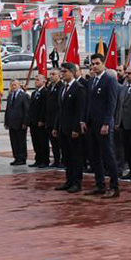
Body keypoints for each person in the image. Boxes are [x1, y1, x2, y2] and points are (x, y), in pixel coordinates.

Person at [83, 54, 120, 198]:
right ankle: (100, 184)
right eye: (92, 64)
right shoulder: (92, 81)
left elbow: (111, 104)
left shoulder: (109, 80)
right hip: (92, 124)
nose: (94, 66)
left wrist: (106, 123)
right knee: (94, 156)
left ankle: (114, 186)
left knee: (108, 155)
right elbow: (89, 103)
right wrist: (84, 121)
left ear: (103, 64)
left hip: (103, 124)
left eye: (97, 63)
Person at [54, 62, 86, 193]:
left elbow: (79, 111)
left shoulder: (79, 88)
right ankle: (68, 180)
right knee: (66, 156)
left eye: (65, 71)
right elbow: (60, 109)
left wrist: (76, 129)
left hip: (73, 129)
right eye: (62, 71)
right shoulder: (63, 87)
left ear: (72, 72)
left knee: (75, 156)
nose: (62, 74)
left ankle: (76, 182)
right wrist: (56, 127)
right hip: (63, 127)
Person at [4, 80, 29, 166]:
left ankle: (22, 158)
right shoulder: (10, 96)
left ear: (19, 85)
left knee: (21, 141)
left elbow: (26, 110)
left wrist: (25, 122)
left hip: (20, 122)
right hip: (12, 122)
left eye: (15, 85)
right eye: (12, 85)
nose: (13, 86)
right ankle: (16, 157)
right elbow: (7, 110)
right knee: (14, 141)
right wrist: (6, 121)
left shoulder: (24, 96)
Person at [29, 74, 50, 167]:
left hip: (40, 122)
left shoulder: (45, 92)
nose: (36, 81)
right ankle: (38, 159)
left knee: (43, 142)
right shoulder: (34, 93)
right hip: (33, 121)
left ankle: (45, 160)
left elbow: (45, 108)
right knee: (36, 142)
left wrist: (42, 120)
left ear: (44, 81)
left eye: (38, 80)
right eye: (35, 79)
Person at [45, 70, 63, 168]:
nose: (51, 76)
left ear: (59, 75)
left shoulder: (60, 86)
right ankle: (56, 160)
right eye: (50, 74)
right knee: (53, 143)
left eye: (53, 74)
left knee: (59, 142)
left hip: (57, 119)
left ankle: (62, 160)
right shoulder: (50, 87)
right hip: (50, 119)